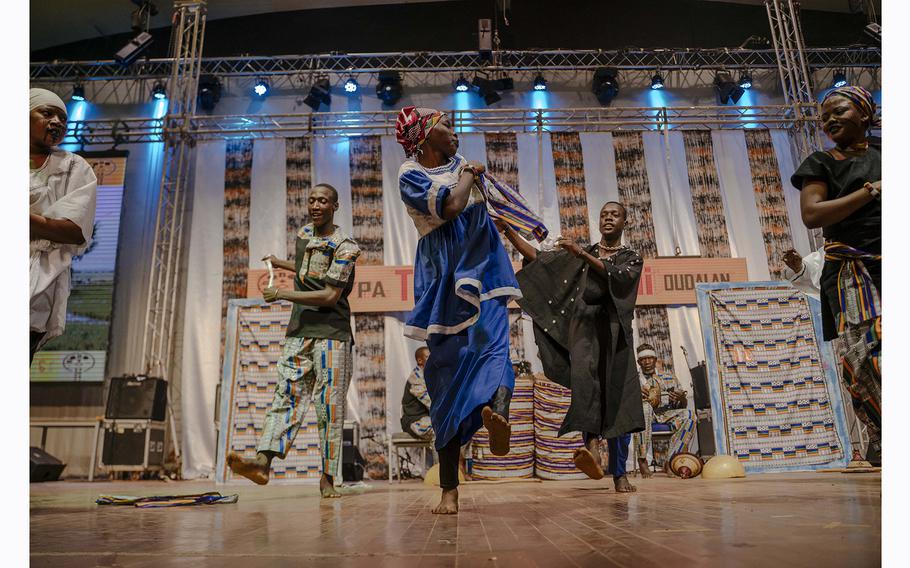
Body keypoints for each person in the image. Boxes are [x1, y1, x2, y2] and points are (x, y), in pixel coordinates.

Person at [396, 106, 519, 514]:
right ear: (425, 137)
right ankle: (449, 487)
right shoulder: (411, 173)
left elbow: (492, 216)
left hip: (484, 266)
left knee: (496, 344)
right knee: (445, 375)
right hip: (444, 272)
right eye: (446, 126)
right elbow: (449, 208)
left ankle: (497, 413)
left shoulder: (464, 166)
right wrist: (470, 173)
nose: (454, 132)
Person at [227, 183, 362, 498]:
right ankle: (262, 462)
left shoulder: (346, 246)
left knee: (328, 406)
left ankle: (328, 478)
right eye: (312, 200)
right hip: (300, 329)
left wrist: (281, 293)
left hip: (332, 334)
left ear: (335, 206)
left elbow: (330, 295)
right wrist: (280, 262)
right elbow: (306, 270)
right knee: (285, 395)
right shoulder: (304, 234)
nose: (316, 205)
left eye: (323, 201)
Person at [502, 201, 645, 492]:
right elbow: (539, 260)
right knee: (585, 391)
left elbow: (618, 278)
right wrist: (508, 231)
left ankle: (620, 473)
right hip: (585, 334)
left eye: (614, 215)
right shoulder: (586, 253)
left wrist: (579, 252)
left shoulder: (632, 257)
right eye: (603, 214)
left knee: (619, 404)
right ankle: (591, 449)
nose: (607, 218)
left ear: (624, 223)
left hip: (615, 338)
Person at [791, 85, 881, 465]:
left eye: (839, 111)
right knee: (868, 357)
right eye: (824, 116)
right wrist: (869, 192)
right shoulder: (821, 162)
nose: (829, 120)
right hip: (852, 270)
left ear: (864, 114)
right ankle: (881, 431)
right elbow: (812, 215)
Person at [29, 88, 98, 363]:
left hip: (39, 282)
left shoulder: (74, 167)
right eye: (47, 113)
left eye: (62, 118)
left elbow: (74, 230)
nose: (57, 122)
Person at [632, 344, 695, 476]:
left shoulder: (669, 377)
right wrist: (636, 395)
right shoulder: (634, 380)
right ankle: (642, 460)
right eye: (643, 359)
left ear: (655, 360)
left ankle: (671, 460)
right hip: (643, 415)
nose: (647, 362)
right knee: (645, 408)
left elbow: (682, 405)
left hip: (665, 413)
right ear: (638, 362)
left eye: (650, 358)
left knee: (689, 415)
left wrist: (680, 398)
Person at [401, 346, 434, 440]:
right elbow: (431, 402)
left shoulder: (428, 375)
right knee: (441, 430)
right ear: (420, 361)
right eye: (428, 357)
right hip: (415, 421)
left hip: (427, 418)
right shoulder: (416, 378)